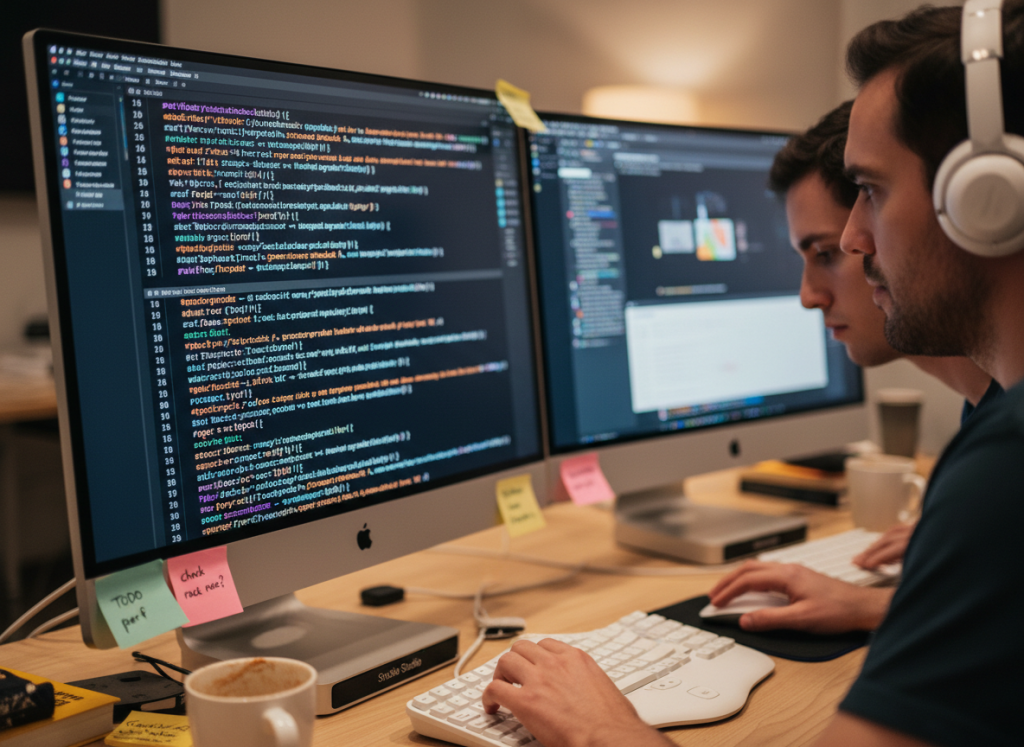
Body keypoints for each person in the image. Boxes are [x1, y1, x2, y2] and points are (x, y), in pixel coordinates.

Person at [482, 4, 1024, 745]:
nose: (857, 239)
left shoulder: (1006, 466)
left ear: (985, 197)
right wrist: (907, 605)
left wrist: (598, 724)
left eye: (870, 188)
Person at [708, 101, 997, 635]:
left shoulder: (1005, 453)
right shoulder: (987, 413)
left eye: (825, 254)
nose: (808, 297)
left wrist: (597, 722)